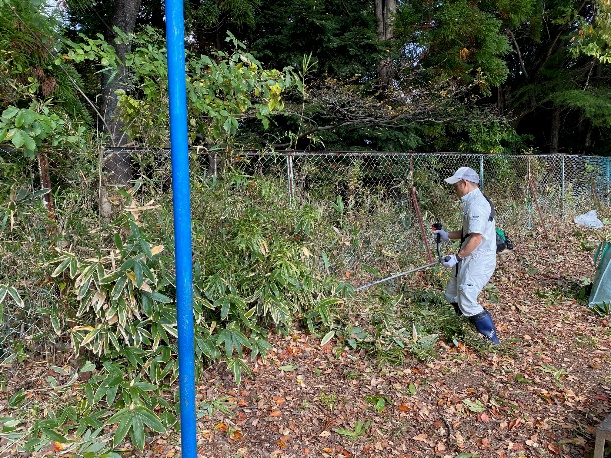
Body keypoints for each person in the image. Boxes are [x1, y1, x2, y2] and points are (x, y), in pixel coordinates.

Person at [433, 167, 500, 344]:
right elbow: (470, 231)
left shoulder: (477, 205)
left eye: (456, 186)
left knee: (467, 299)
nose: (455, 190)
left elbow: (477, 238)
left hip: (478, 259)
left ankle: (492, 341)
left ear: (464, 183)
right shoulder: (473, 201)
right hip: (469, 256)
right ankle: (463, 325)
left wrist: (457, 257)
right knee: (452, 294)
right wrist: (447, 235)